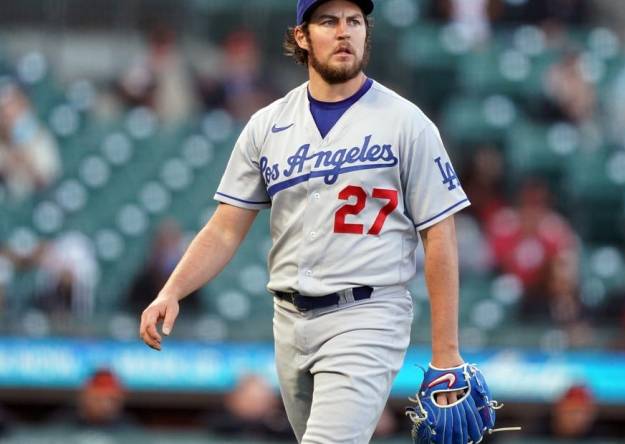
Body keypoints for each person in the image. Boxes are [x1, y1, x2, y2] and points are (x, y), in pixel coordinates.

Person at [139, 1, 470, 442]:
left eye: (354, 22)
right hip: (290, 319)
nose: (344, 32)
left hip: (368, 314)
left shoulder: (407, 123)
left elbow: (440, 235)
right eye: (329, 21)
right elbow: (225, 226)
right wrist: (173, 289)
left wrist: (446, 352)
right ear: (301, 36)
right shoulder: (267, 124)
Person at [206, 373, 293, 440]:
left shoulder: (279, 426)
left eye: (261, 400)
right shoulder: (221, 423)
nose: (256, 406)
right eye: (251, 399)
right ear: (234, 400)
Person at [49, 368, 137, 431]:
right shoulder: (60, 424)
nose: (106, 406)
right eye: (98, 399)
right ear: (85, 396)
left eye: (112, 400)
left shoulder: (130, 429)